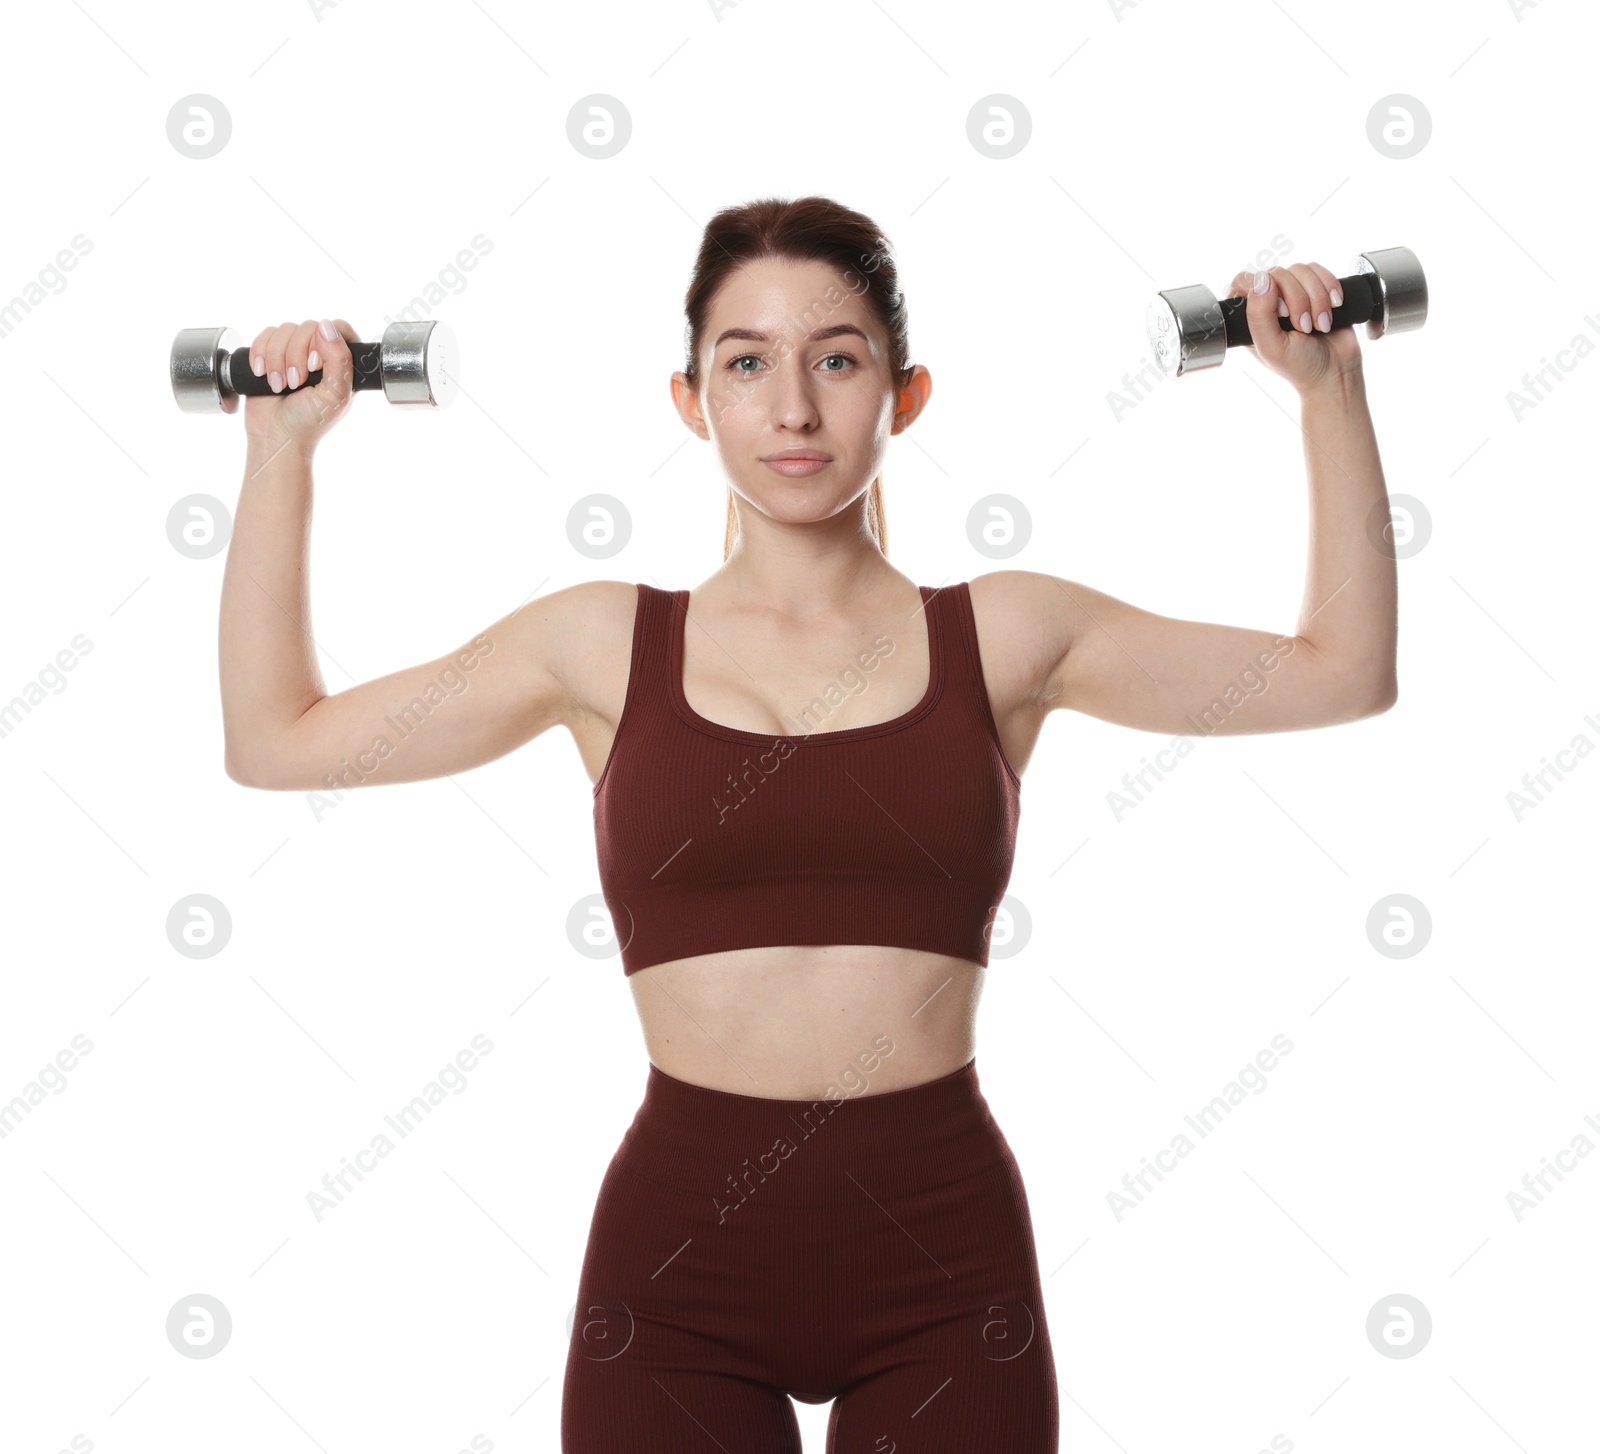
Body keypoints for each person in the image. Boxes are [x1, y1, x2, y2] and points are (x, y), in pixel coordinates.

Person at [220, 195, 1396, 1452]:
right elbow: (276, 736)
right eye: (746, 363)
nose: (792, 408)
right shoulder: (598, 644)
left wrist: (1329, 394)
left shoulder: (1005, 634)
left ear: (905, 394)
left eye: (836, 359)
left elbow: (1342, 670)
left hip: (944, 1270)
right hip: (677, 1279)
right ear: (689, 401)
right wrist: (280, 452)